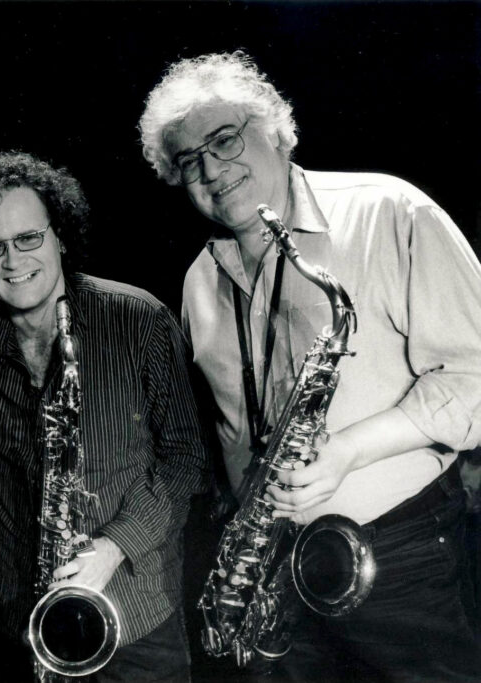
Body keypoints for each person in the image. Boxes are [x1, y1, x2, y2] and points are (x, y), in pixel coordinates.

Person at [138, 51, 481, 680]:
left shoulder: (390, 212)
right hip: (272, 569)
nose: (212, 169)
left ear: (275, 130)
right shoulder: (198, 281)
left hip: (398, 550)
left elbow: (475, 380)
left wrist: (346, 450)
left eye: (225, 139)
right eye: (188, 160)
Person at [0, 151, 209, 682]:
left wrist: (115, 546)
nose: (13, 261)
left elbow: (186, 458)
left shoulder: (138, 319)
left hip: (132, 616)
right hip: (15, 624)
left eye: (29, 238)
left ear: (60, 236)